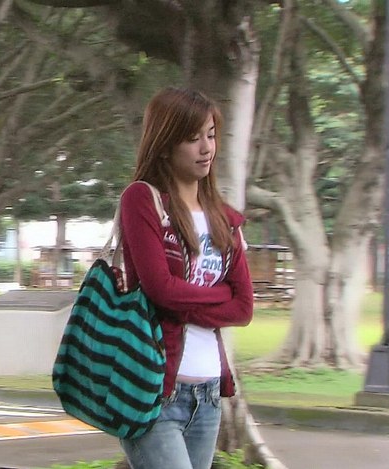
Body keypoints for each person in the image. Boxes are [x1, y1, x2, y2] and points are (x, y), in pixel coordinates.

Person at [117, 87, 253, 469]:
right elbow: (160, 289)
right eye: (193, 138)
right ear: (165, 145)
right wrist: (219, 295)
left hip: (208, 394)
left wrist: (183, 300)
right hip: (155, 392)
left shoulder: (224, 218)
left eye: (211, 135)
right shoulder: (142, 201)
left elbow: (243, 308)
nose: (206, 148)